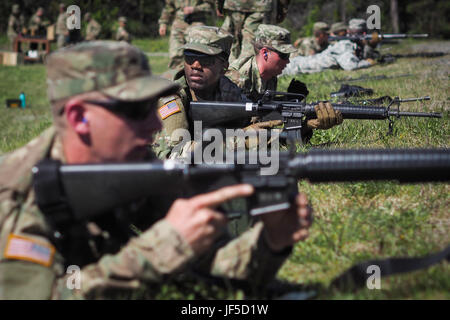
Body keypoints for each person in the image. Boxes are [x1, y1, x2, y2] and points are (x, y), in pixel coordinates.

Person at [0, 40, 313, 299]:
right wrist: (158, 251)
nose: (154, 124)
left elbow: (210, 269)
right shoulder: (15, 197)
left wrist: (270, 241)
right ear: (80, 118)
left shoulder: (135, 164)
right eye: (137, 111)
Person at [227, 24, 343, 141]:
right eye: (283, 55)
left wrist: (290, 102)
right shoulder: (237, 79)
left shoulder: (270, 76)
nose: (287, 61)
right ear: (265, 53)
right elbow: (232, 127)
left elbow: (264, 110)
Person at [153, 25, 248, 160]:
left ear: (224, 67)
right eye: (190, 57)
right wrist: (244, 141)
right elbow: (172, 155)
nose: (195, 65)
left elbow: (248, 120)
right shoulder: (170, 95)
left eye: (206, 60)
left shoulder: (227, 89)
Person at [217, 0, 283, 63]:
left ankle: (230, 68)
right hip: (260, 5)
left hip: (234, 4)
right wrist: (282, 8)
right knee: (250, 41)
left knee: (233, 40)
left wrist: (219, 4)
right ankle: (241, 70)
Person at [158, 0, 215, 70]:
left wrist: (195, 9)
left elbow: (210, 6)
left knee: (196, 55)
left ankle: (193, 77)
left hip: (196, 24)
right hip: (178, 24)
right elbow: (168, 7)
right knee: (175, 55)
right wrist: (163, 23)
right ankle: (175, 77)